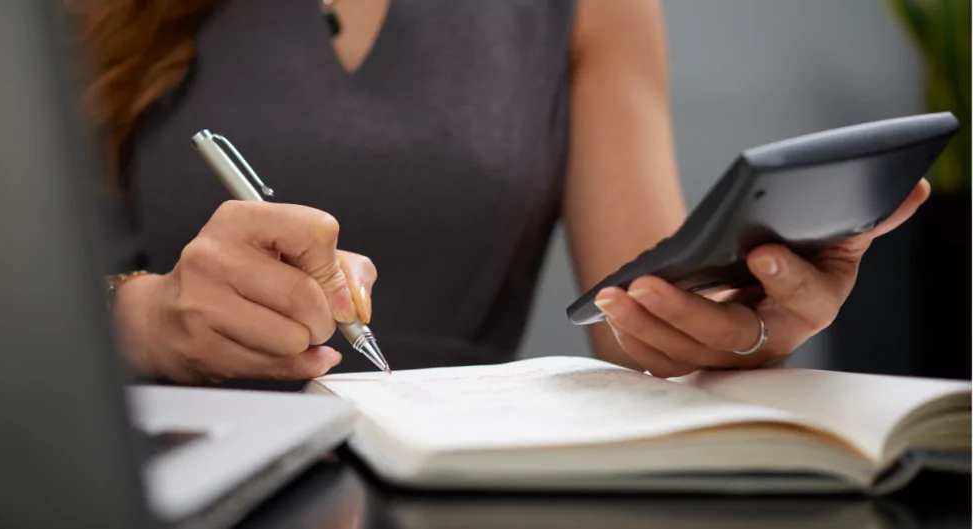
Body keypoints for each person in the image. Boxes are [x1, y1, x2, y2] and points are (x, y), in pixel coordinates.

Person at [79, 0, 929, 384]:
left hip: (460, 484)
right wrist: (149, 318)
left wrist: (745, 315)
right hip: (154, 469)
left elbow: (639, 322)